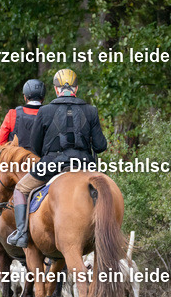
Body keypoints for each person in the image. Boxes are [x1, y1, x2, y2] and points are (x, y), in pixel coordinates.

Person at [7, 68, 107, 248]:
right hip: (85, 166)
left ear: (56, 89)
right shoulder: (91, 111)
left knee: (21, 189)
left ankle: (21, 233)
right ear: (76, 89)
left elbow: (36, 147)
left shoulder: (45, 112)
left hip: (51, 166)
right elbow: (101, 146)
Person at [0, 79, 46, 254]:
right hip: (42, 167)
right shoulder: (48, 113)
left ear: (25, 96)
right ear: (43, 97)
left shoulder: (13, 114)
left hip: (16, 170)